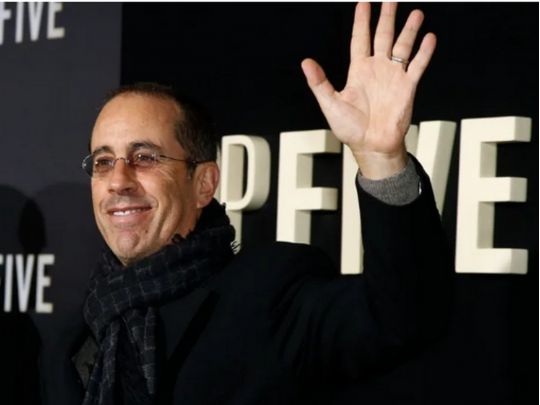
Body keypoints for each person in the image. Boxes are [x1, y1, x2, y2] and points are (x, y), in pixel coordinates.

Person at [72, 3, 452, 404]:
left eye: (145, 157)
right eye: (103, 162)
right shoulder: (77, 338)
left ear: (204, 184)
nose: (118, 181)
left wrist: (381, 159)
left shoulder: (270, 293)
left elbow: (404, 319)